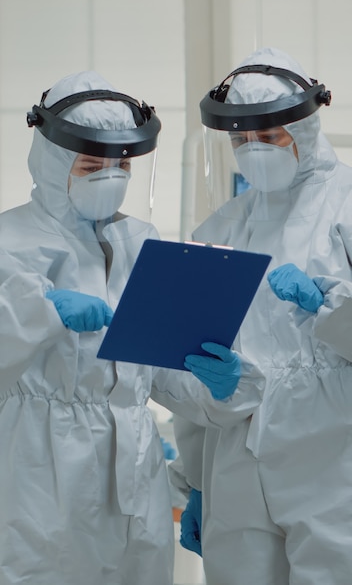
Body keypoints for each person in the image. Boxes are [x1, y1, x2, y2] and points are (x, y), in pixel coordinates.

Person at [0, 70, 265, 585]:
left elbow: (157, 371)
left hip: (136, 475)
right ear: (54, 161)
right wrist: (41, 309)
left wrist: (219, 384)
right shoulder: (9, 240)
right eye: (91, 164)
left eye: (119, 165)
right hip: (41, 471)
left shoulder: (139, 243)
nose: (109, 176)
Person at [169, 47, 352, 585]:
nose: (253, 150)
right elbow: (196, 358)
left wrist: (332, 305)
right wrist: (196, 479)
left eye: (267, 136)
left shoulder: (345, 203)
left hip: (332, 448)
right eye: (241, 139)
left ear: (307, 125)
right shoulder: (220, 229)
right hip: (236, 456)